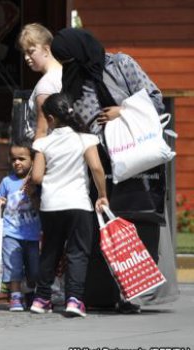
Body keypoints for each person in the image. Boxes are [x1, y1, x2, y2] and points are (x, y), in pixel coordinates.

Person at [50, 28, 166, 313]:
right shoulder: (71, 81)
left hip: (137, 159)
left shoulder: (121, 64)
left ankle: (132, 292)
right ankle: (102, 292)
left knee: (135, 223)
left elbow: (155, 98)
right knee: (104, 225)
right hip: (100, 162)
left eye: (68, 59)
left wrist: (122, 111)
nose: (67, 66)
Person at [30, 93, 109, 317]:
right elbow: (96, 168)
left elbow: (36, 177)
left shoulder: (43, 143)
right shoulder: (85, 138)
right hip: (78, 203)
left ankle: (41, 298)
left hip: (50, 204)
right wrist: (102, 195)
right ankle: (74, 300)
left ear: (51, 118)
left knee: (50, 251)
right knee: (77, 252)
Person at [0, 141, 41, 312]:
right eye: (14, 159)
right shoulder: (7, 181)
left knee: (34, 268)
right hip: (11, 232)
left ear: (33, 160)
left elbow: (39, 206)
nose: (17, 163)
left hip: (32, 234)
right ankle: (15, 296)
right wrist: (0, 200)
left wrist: (33, 194)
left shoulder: (35, 182)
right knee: (13, 265)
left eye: (22, 158)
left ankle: (30, 291)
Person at [17, 23, 62, 140]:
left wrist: (38, 157)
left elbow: (42, 130)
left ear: (46, 49)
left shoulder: (46, 84)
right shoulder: (63, 74)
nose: (26, 57)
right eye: (24, 53)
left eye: (31, 51)